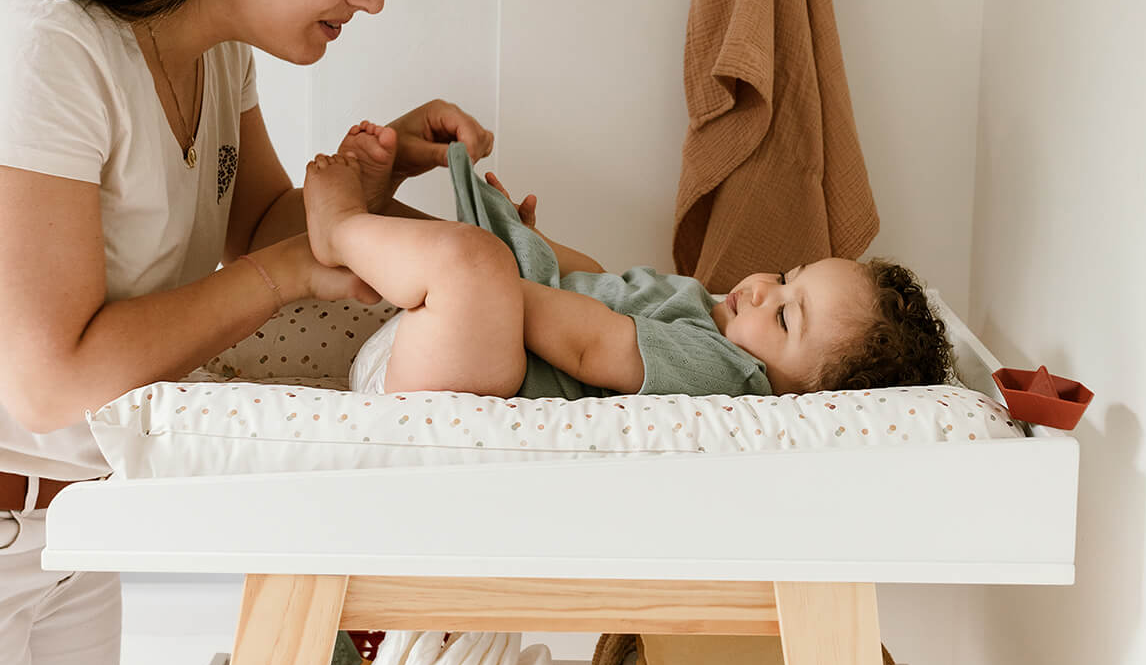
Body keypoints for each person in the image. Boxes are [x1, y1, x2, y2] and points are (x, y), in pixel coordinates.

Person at [0, 0, 495, 665]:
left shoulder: (215, 65)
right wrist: (286, 273)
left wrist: (381, 176)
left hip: (70, 521)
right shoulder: (45, 49)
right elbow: (50, 376)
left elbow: (271, 225)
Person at [302, 127, 956, 403]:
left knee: (471, 265)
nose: (761, 290)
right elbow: (607, 284)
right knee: (476, 262)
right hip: (437, 349)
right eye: (787, 278)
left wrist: (498, 274)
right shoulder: (708, 310)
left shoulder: (726, 372)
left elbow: (591, 344)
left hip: (444, 381)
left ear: (799, 395)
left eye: (786, 318)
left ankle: (340, 230)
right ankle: (386, 233)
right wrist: (538, 244)